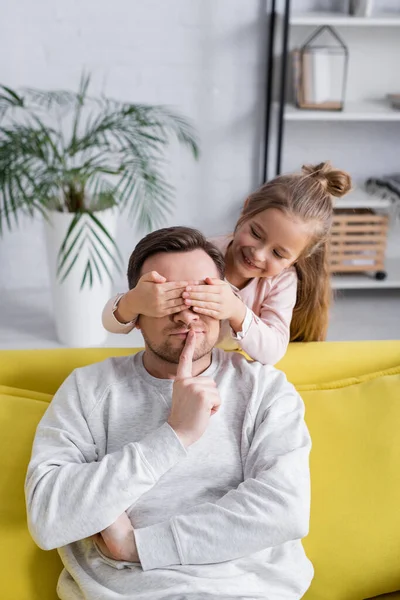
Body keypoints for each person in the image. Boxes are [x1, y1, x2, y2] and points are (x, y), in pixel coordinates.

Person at [25, 227, 313, 600]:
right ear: (137, 315)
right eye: (167, 299)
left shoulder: (264, 390)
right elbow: (49, 519)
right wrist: (174, 435)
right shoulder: (89, 389)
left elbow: (285, 511)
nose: (186, 315)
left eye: (200, 296)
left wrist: (138, 546)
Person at [102, 161, 352, 365]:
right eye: (256, 234)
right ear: (245, 210)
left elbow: (273, 351)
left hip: (221, 367)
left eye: (278, 253)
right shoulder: (202, 257)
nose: (259, 254)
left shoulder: (282, 282)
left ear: (300, 258)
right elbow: (110, 323)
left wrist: (235, 310)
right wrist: (134, 301)